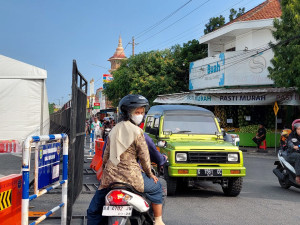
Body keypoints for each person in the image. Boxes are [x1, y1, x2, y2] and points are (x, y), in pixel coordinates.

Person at [87, 94, 165, 225]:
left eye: (141, 112)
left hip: (110, 180)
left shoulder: (113, 131)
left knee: (93, 211)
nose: (140, 115)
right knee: (159, 187)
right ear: (128, 113)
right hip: (132, 179)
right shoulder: (138, 132)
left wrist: (106, 171)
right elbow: (145, 158)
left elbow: (105, 157)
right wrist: (150, 174)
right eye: (137, 112)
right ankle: (158, 220)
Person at [286, 119, 300, 185]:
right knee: (298, 156)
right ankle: (298, 176)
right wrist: (295, 146)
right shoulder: (291, 135)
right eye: (299, 129)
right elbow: (290, 144)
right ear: (295, 129)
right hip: (291, 154)